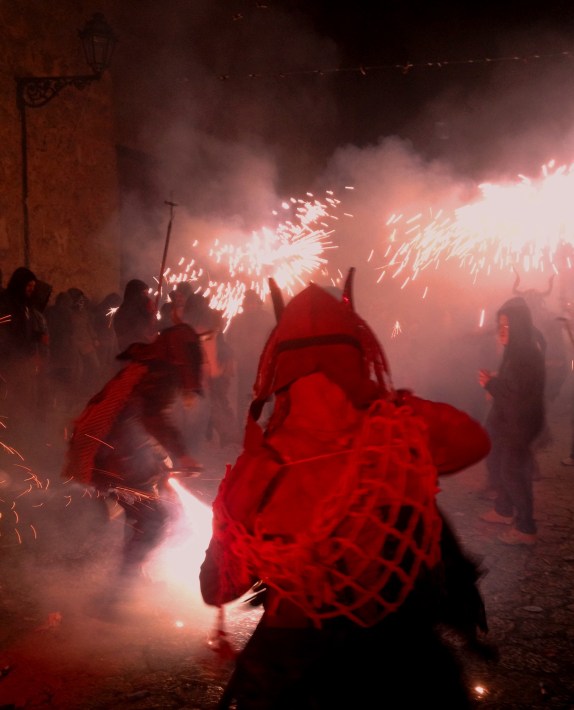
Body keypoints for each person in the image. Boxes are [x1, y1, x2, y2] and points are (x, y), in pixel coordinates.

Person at [200, 270, 494, 709]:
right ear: (357, 354)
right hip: (401, 666)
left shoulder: (258, 469)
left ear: (279, 366)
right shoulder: (397, 431)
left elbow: (216, 588)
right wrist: (388, 404)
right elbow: (474, 442)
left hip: (297, 671)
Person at [63, 323, 204, 607]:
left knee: (143, 511)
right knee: (153, 520)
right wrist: (182, 455)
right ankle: (115, 597)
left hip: (112, 450)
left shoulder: (148, 366)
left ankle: (131, 577)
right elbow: (152, 418)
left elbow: (136, 420)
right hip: (109, 454)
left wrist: (157, 460)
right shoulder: (158, 373)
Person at [479, 296, 545, 546]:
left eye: (507, 326)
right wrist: (495, 381)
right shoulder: (517, 350)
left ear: (519, 326)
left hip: (519, 423)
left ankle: (526, 528)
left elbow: (515, 393)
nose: (502, 331)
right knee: (503, 464)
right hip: (511, 421)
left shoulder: (524, 354)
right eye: (500, 325)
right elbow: (514, 384)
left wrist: (491, 384)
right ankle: (504, 510)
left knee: (512, 472)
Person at [0, 266, 43, 449]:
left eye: (33, 287)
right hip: (11, 363)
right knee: (13, 403)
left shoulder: (26, 305)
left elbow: (26, 331)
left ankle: (25, 438)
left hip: (25, 361)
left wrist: (35, 346)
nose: (31, 290)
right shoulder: (7, 303)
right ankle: (12, 439)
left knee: (28, 401)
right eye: (28, 286)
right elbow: (7, 333)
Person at [225, 289, 275, 428]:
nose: (251, 306)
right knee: (243, 395)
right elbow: (230, 341)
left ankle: (268, 423)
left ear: (258, 303)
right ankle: (242, 424)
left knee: (266, 395)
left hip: (263, 364)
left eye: (253, 303)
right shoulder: (238, 320)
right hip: (245, 365)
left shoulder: (267, 319)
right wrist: (234, 356)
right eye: (248, 303)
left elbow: (273, 339)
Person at [113, 278, 157, 353]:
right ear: (134, 294)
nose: (146, 298)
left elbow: (151, 327)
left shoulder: (143, 311)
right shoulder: (123, 313)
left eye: (147, 294)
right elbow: (126, 336)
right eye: (143, 294)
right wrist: (147, 338)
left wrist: (151, 315)